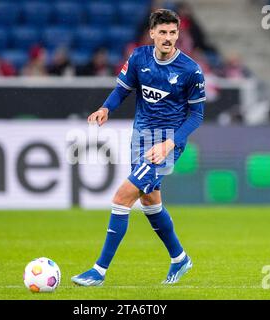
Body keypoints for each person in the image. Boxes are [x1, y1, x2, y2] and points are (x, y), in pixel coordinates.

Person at [71, 9, 205, 286]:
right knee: (149, 201)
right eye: (163, 32)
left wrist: (170, 144)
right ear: (152, 33)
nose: (168, 38)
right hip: (141, 137)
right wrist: (106, 108)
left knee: (122, 198)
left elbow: (196, 115)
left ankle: (99, 270)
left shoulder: (191, 70)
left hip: (167, 141)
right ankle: (179, 258)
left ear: (178, 34)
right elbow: (122, 89)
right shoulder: (139, 57)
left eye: (173, 33)